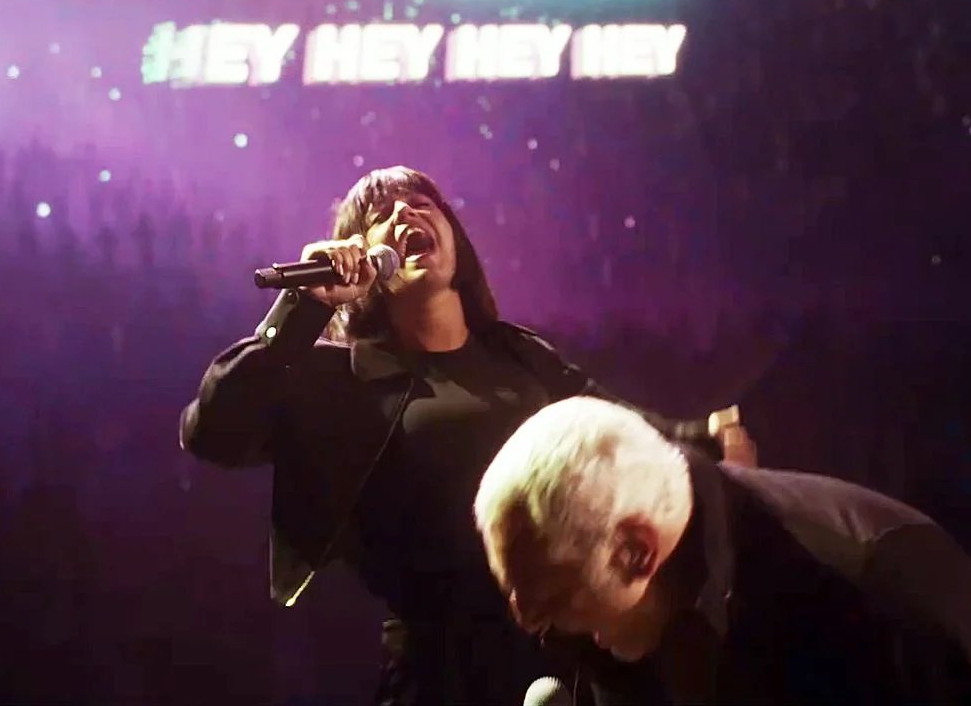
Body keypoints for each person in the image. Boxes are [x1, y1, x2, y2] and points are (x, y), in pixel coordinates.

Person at [178, 166, 738, 706]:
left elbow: (616, 429)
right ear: (360, 259)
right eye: (380, 214)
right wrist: (304, 306)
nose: (405, 212)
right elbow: (213, 431)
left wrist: (709, 439)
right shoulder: (342, 379)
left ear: (455, 240)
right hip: (440, 671)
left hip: (563, 652)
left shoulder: (518, 355)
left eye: (422, 204)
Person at [473, 396, 971, 706]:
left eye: (552, 597)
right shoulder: (609, 628)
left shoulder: (885, 586)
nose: (538, 625)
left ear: (634, 552)